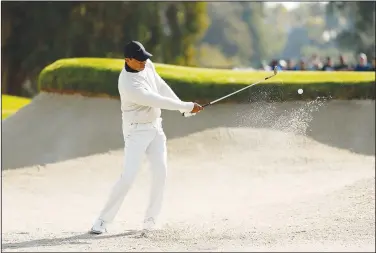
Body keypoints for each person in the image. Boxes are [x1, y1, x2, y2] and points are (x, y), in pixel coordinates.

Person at [90, 40, 203, 235]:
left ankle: (151, 218)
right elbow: (155, 99)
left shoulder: (147, 65)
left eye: (145, 58)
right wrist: (185, 106)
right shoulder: (128, 84)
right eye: (139, 59)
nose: (144, 62)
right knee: (128, 177)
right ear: (128, 60)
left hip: (155, 128)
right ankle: (102, 220)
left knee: (161, 172)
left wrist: (181, 106)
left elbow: (161, 86)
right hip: (136, 132)